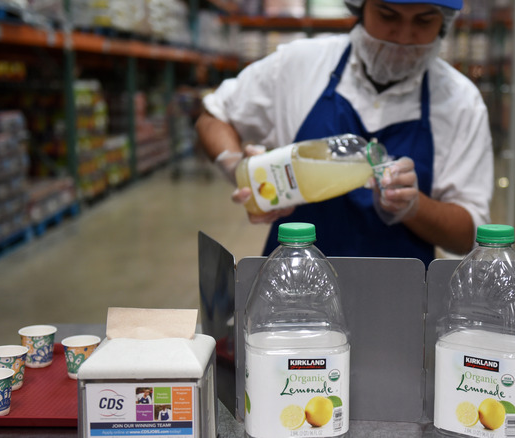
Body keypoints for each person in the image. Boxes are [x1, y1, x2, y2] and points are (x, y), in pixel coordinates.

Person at [196, 0, 493, 265]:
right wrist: (238, 168)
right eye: (388, 15)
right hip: (290, 288)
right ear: (360, 7)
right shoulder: (300, 64)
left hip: (400, 298)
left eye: (424, 21)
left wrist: (413, 207)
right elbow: (214, 117)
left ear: (444, 23)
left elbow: (468, 236)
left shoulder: (461, 102)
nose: (403, 35)